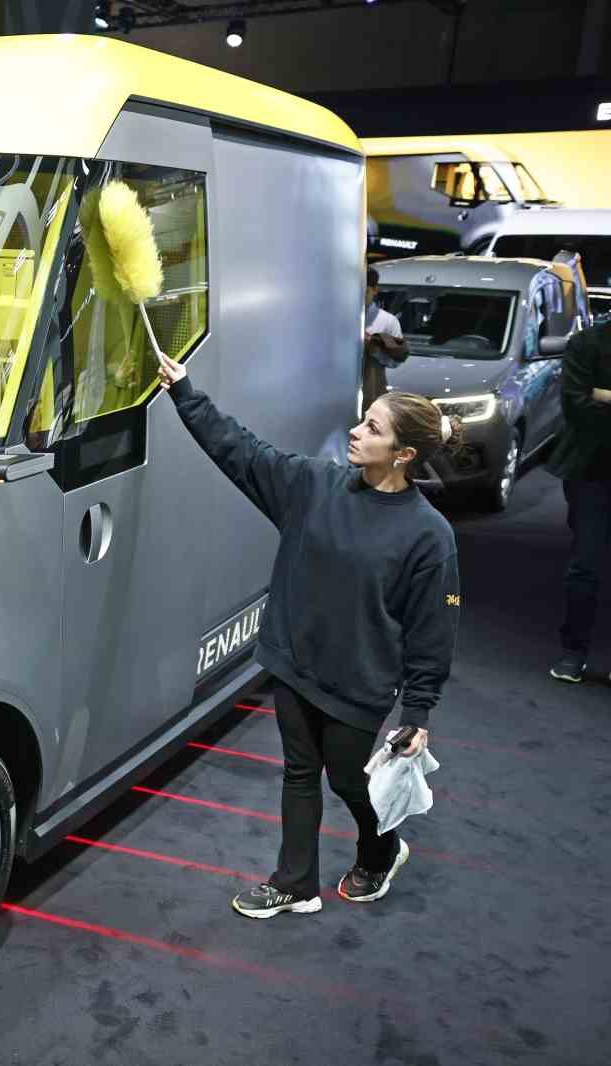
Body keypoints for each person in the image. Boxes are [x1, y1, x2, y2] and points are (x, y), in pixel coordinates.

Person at [156, 346, 461, 920]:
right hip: (294, 663)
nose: (355, 432)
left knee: (348, 780)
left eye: (372, 429)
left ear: (403, 455)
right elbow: (240, 451)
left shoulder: (430, 535)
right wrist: (185, 392)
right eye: (363, 419)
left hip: (359, 682)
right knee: (300, 771)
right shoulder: (313, 485)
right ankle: (295, 883)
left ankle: (383, 849)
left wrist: (418, 712)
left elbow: (433, 630)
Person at [543, 318, 611, 683]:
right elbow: (577, 407)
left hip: (592, 462)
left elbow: (589, 401)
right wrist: (593, 398)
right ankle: (574, 651)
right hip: (591, 470)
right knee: (586, 564)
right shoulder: (586, 343)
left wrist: (604, 395)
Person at [362, 267, 407, 409]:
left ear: (375, 290)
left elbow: (395, 362)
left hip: (371, 391)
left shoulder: (388, 321)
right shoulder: (336, 318)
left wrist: (375, 351)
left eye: (364, 291)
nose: (358, 296)